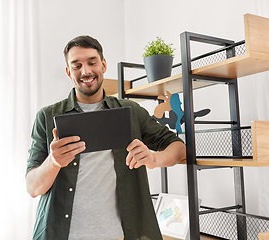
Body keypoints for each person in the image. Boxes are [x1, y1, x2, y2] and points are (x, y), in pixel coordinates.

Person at [26, 35, 186, 240]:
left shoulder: (131, 111)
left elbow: (178, 147)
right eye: (76, 66)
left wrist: (154, 159)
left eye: (92, 62)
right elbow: (32, 188)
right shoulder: (46, 117)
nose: (86, 71)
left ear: (103, 65)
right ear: (68, 72)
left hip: (122, 235)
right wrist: (53, 162)